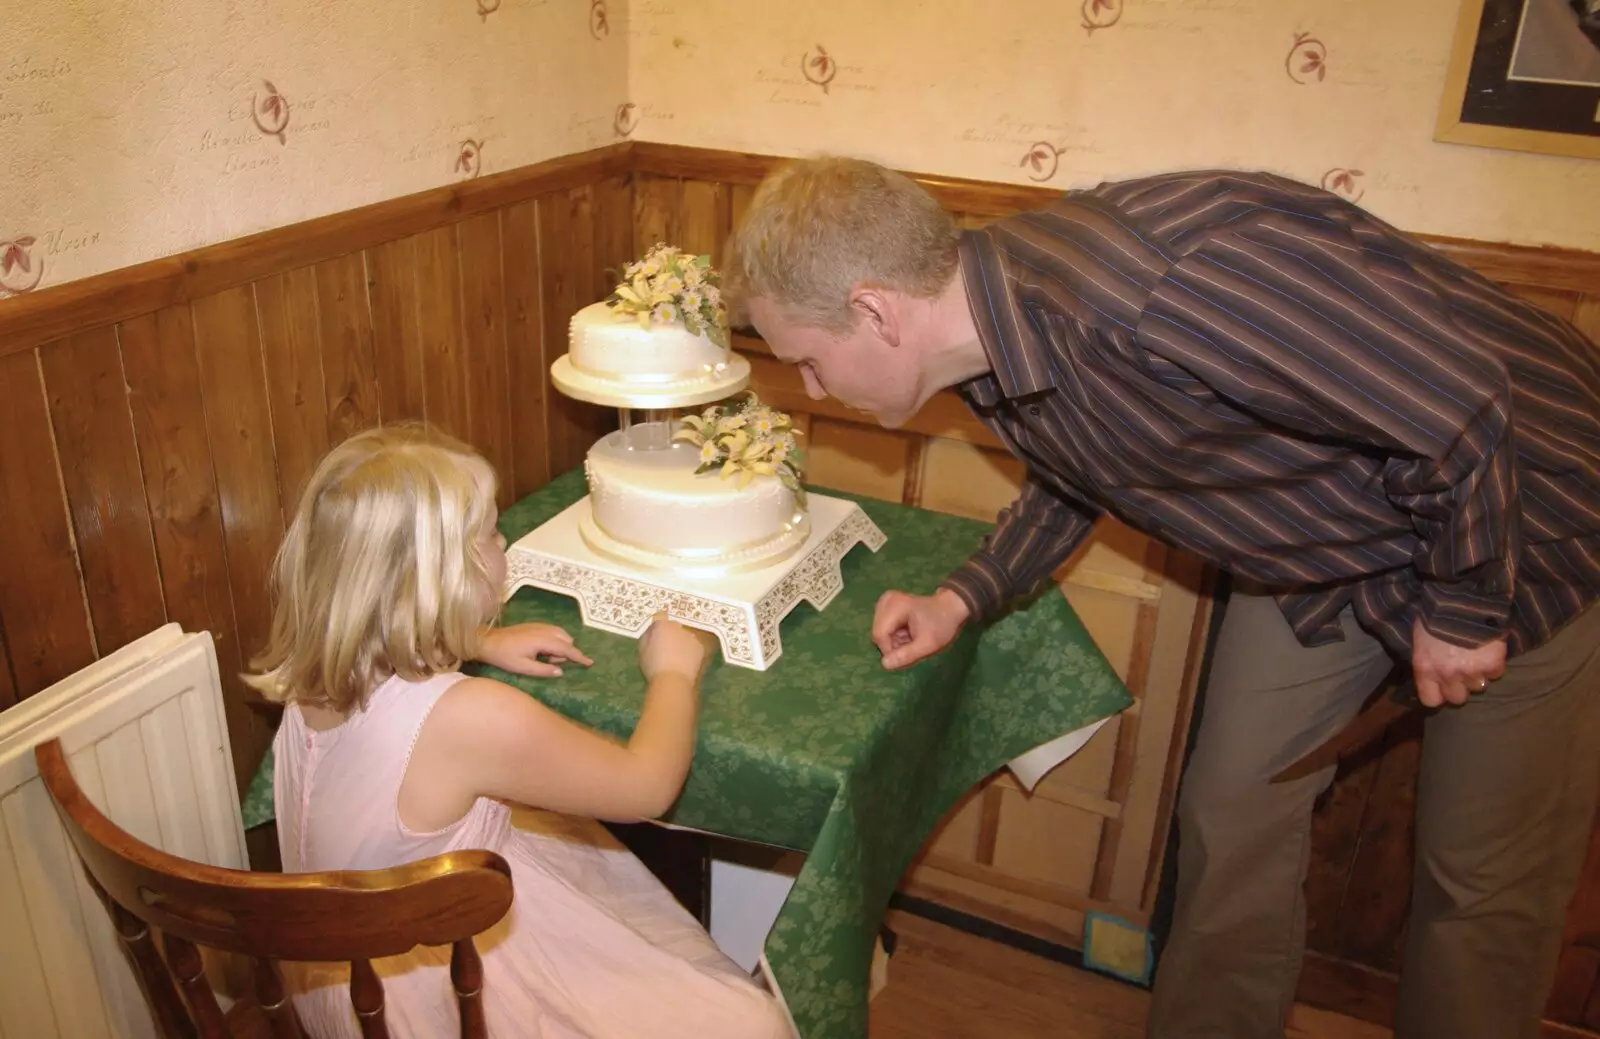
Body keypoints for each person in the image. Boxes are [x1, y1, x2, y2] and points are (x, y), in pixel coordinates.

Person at [724, 156, 1600, 1039]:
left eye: (807, 360)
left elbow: (1458, 407)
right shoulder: (986, 331)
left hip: (1528, 517)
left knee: (1480, 876)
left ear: (876, 310)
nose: (810, 389)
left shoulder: (1160, 291)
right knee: (1230, 812)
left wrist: (1462, 606)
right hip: (1324, 538)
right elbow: (1091, 464)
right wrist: (965, 594)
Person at [245, 423, 791, 1039]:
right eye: (493, 532)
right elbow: (646, 788)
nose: (503, 541)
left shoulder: (314, 670)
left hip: (333, 978)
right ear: (449, 575)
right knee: (752, 1023)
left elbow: (385, 647)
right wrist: (673, 672)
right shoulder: (474, 718)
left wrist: (476, 639)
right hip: (433, 995)